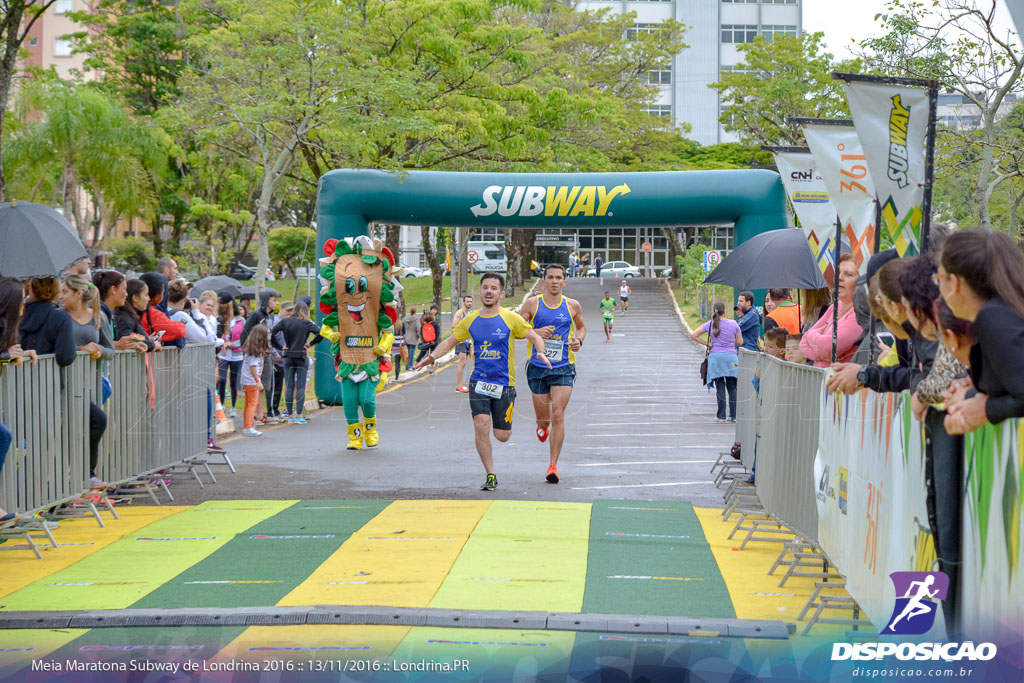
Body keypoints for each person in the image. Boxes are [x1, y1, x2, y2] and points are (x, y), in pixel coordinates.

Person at [414, 272, 551, 491]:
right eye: (485, 287)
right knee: (481, 426)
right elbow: (449, 341)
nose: (489, 291)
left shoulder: (510, 318)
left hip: (505, 384)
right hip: (479, 381)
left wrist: (541, 352)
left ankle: (501, 432)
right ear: (481, 291)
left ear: (501, 293)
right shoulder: (471, 320)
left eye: (493, 288)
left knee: (502, 435)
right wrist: (431, 357)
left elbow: (535, 336)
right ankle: (490, 475)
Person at [938, 228, 1024, 434]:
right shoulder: (1003, 311)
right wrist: (970, 396)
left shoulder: (993, 316)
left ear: (955, 283)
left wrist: (985, 410)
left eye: (939, 278)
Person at [519, 264, 586, 484]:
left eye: (559, 278)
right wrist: (535, 333)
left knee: (558, 412)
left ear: (564, 282)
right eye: (550, 277)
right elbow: (517, 329)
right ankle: (542, 427)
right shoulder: (532, 304)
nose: (555, 281)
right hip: (538, 368)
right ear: (544, 281)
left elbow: (581, 328)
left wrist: (579, 340)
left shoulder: (572, 305)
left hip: (564, 367)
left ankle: (553, 465)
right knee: (544, 420)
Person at [60, 274, 113, 488]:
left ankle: (87, 473)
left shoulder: (99, 317)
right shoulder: (59, 316)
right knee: (85, 423)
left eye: (65, 292)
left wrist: (99, 350)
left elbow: (111, 350)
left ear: (78, 294)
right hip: (61, 382)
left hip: (86, 385)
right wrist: (78, 350)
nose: (61, 296)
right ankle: (70, 477)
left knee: (97, 420)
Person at [0, 277, 36, 521]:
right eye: (21, 297)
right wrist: (4, 354)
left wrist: (14, 353)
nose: (25, 301)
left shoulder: (7, 329)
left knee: (4, 435)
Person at [800, 255, 861, 367]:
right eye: (838, 273)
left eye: (848, 274)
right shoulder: (835, 306)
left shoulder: (859, 312)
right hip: (822, 381)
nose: (840, 278)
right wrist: (822, 350)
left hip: (840, 381)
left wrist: (813, 336)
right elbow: (803, 345)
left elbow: (828, 347)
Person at [691, 301, 742, 423]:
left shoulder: (710, 324)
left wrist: (708, 344)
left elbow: (694, 335)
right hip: (731, 358)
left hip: (716, 358)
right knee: (732, 387)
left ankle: (721, 416)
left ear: (714, 311)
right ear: (725, 311)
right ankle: (734, 415)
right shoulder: (734, 324)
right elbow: (740, 342)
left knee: (720, 386)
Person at [272, 301, 322, 424]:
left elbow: (272, 332)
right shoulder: (307, 323)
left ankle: (290, 416)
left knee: (288, 386)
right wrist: (311, 343)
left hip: (288, 356)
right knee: (300, 386)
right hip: (301, 356)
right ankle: (299, 415)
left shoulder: (285, 321)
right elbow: (321, 333)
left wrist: (280, 346)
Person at [94, 271, 149, 353]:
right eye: (124, 289)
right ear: (113, 289)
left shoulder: (110, 313)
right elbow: (90, 342)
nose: (126, 294)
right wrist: (116, 345)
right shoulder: (97, 313)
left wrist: (132, 345)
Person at [138, 273, 186, 346]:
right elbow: (178, 330)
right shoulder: (152, 312)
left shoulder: (126, 308)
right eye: (163, 292)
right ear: (158, 296)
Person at [240, 324, 270, 437]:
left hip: (247, 379)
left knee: (248, 404)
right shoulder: (256, 352)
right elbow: (253, 367)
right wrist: (258, 380)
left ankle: (247, 425)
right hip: (251, 381)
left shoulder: (250, 349)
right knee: (252, 403)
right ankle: (248, 427)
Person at [217, 297, 245, 418]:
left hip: (237, 355)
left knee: (234, 382)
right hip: (223, 354)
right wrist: (223, 343)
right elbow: (219, 333)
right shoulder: (223, 319)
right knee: (222, 379)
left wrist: (232, 344)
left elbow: (244, 338)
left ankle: (233, 406)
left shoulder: (241, 320)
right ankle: (222, 403)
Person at [453, 295, 474, 393]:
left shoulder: (469, 314)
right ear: (464, 302)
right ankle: (459, 386)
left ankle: (461, 384)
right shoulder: (460, 313)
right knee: (462, 362)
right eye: (467, 301)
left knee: (464, 363)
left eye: (470, 301)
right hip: (461, 341)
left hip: (468, 342)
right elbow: (454, 325)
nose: (469, 303)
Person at [402, 306, 420, 371]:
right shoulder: (416, 319)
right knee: (411, 353)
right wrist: (419, 335)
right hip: (413, 337)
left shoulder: (405, 318)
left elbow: (402, 326)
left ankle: (407, 366)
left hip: (406, 337)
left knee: (406, 353)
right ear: (415, 311)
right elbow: (418, 328)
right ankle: (410, 366)